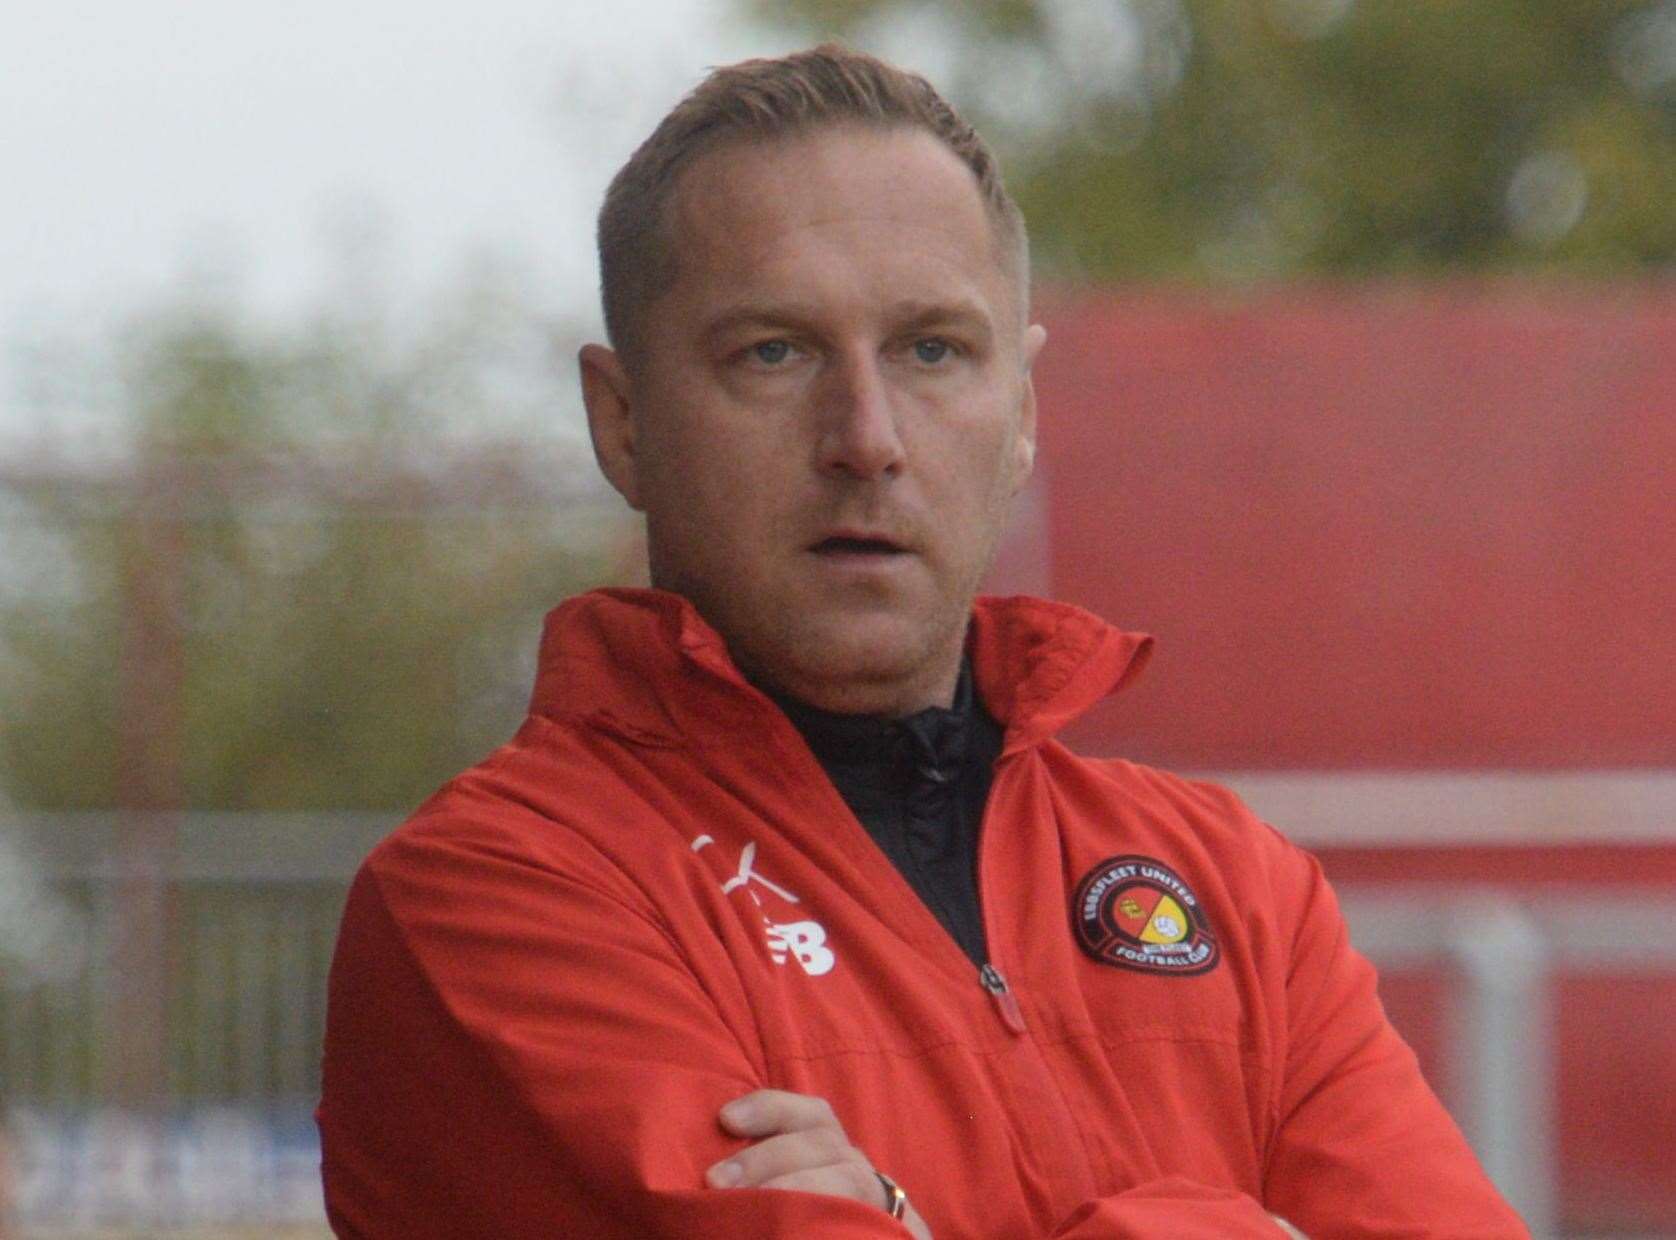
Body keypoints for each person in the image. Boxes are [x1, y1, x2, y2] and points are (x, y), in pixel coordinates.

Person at [317, 44, 1528, 1239]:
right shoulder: (498, 900)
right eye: (773, 352)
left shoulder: (1237, 891)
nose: (866, 435)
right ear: (622, 423)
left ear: (1023, 413)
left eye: (932, 350)